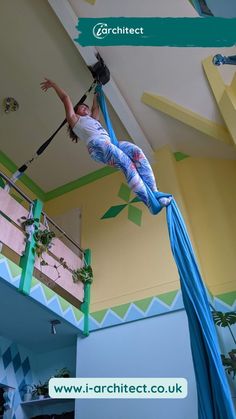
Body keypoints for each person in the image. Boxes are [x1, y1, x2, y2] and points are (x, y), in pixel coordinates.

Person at [40, 78, 171, 213]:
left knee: (137, 152)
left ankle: (155, 193)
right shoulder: (75, 120)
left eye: (86, 107)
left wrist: (97, 91)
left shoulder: (93, 119)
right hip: (97, 146)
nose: (85, 107)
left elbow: (95, 106)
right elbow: (65, 98)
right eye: (81, 107)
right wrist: (54, 85)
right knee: (126, 164)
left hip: (110, 143)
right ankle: (149, 202)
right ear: (76, 111)